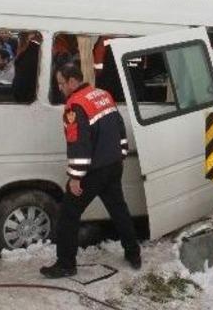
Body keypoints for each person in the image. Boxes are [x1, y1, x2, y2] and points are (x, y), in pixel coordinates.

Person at [41, 63, 141, 278]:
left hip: (93, 171)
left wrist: (75, 177)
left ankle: (66, 265)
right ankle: (134, 253)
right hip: (114, 166)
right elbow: (119, 126)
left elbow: (78, 144)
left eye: (61, 83)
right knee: (119, 210)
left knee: (68, 214)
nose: (60, 88)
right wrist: (121, 153)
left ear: (72, 81)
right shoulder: (103, 95)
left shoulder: (74, 106)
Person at [12, 31, 42, 103]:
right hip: (19, 94)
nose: (21, 38)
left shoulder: (34, 50)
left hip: (29, 96)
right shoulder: (21, 49)